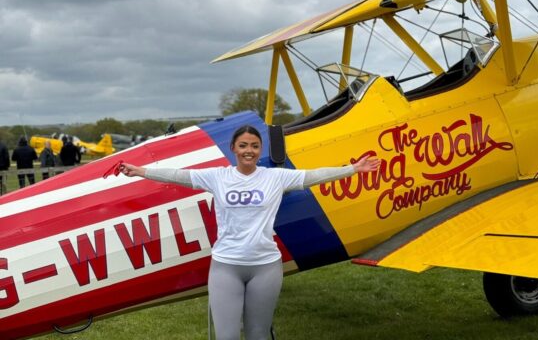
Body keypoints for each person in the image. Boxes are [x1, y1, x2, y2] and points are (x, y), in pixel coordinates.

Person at [119, 125, 380, 340]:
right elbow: (178, 175)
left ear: (260, 150)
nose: (249, 151)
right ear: (233, 148)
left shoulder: (275, 177)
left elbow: (313, 176)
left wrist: (353, 169)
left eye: (254, 146)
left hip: (265, 267)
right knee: (227, 336)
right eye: (243, 145)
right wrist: (141, 171)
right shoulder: (217, 176)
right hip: (226, 267)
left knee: (258, 334)